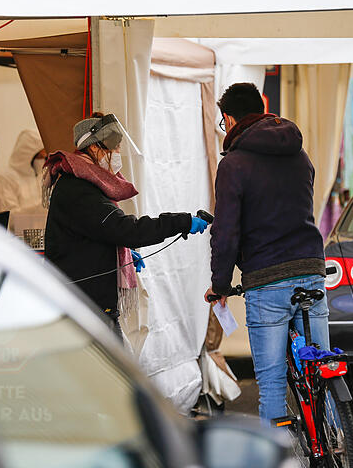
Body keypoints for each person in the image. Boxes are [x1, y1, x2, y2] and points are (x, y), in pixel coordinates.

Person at [204, 83, 328, 426]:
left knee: (272, 384)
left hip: (267, 279)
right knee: (321, 370)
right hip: (312, 269)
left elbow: (226, 231)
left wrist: (220, 284)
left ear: (229, 119)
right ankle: (335, 441)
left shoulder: (234, 164)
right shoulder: (299, 155)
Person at [44, 113, 209, 335]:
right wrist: (181, 222)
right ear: (94, 149)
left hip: (88, 305)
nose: (117, 154)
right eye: (115, 147)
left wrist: (121, 254)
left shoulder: (85, 183)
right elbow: (125, 230)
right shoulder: (77, 189)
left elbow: (98, 232)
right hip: (83, 309)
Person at [1, 129, 47, 214]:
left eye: (44, 156)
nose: (43, 160)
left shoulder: (41, 176)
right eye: (40, 156)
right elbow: (10, 216)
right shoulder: (7, 177)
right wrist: (39, 209)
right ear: (28, 155)